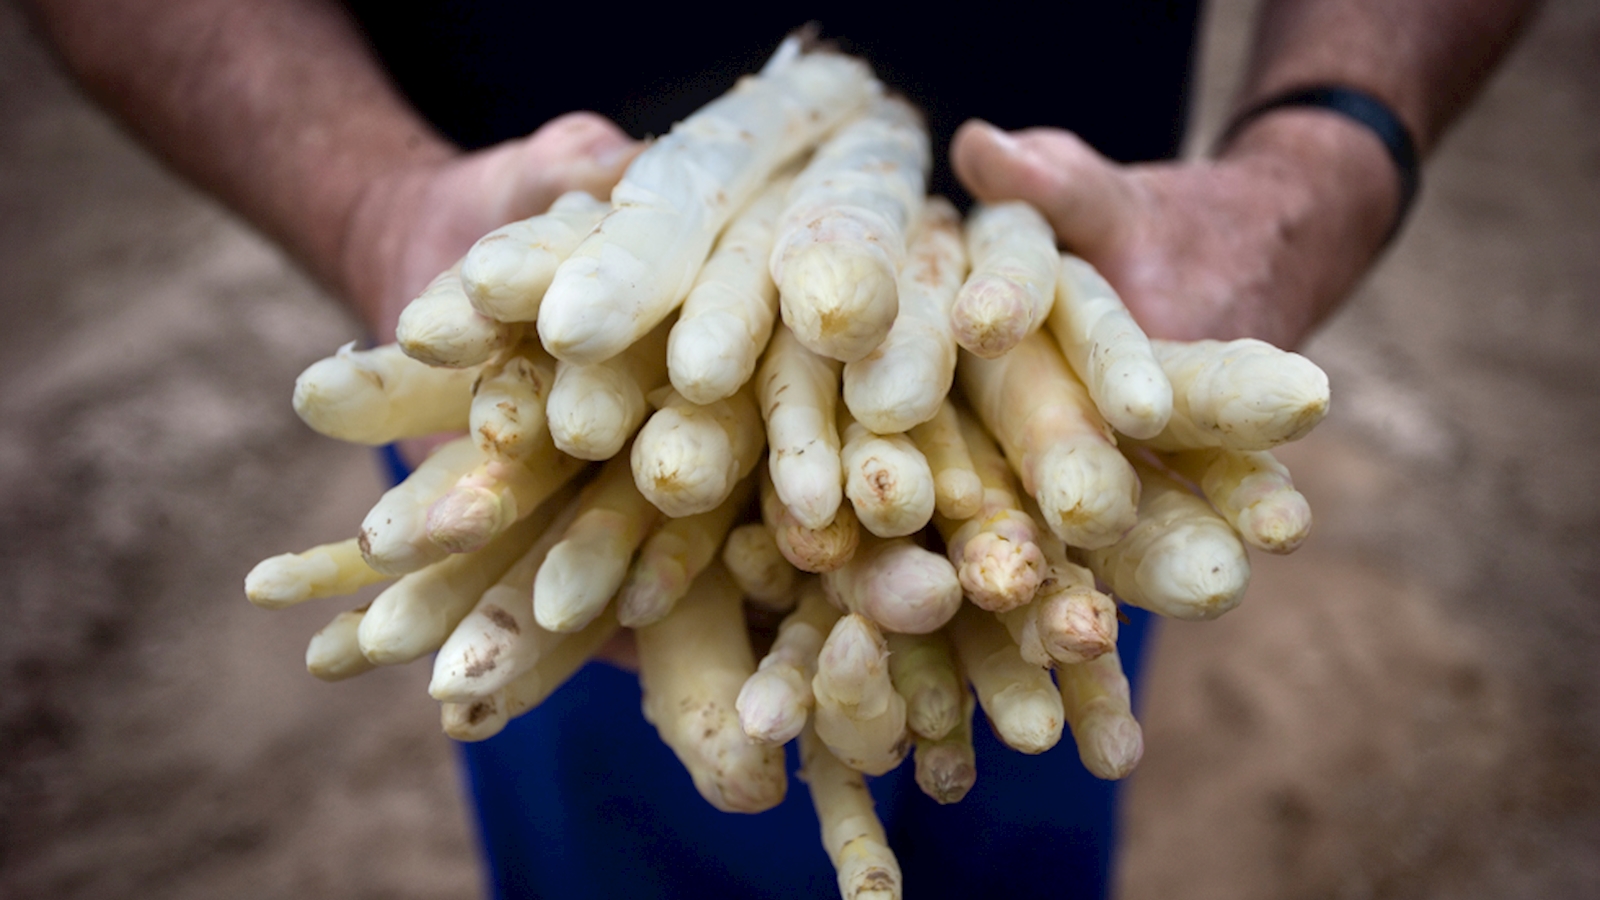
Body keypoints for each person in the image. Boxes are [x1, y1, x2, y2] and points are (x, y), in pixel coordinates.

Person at [21, 1, 1537, 897]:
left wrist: (1320, 158)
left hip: (1056, 464)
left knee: (1011, 757)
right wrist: (371, 207)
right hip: (550, 405)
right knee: (648, 827)